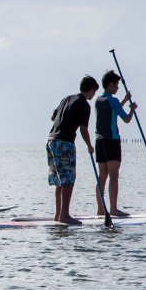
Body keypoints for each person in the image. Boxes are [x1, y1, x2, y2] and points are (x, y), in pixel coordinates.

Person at [47, 75, 99, 224]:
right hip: (64, 142)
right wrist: (89, 145)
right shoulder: (84, 105)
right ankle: (65, 215)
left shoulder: (66, 98)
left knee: (60, 180)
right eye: (93, 92)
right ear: (90, 90)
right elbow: (83, 129)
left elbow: (53, 117)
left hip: (51, 140)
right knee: (68, 179)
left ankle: (58, 215)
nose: (93, 95)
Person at [94, 70, 137, 217]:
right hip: (112, 141)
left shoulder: (99, 100)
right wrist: (132, 109)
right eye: (117, 85)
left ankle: (100, 210)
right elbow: (126, 119)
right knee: (113, 175)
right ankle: (113, 209)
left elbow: (113, 109)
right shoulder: (114, 101)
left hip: (99, 141)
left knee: (102, 176)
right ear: (111, 84)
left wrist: (124, 100)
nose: (118, 88)